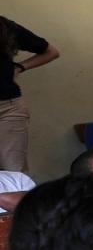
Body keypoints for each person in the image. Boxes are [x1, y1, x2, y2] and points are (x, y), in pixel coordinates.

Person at [0, 16, 59, 172]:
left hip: (7, 109)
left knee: (13, 173)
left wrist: (20, 67)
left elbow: (51, 52)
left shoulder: (5, 27)